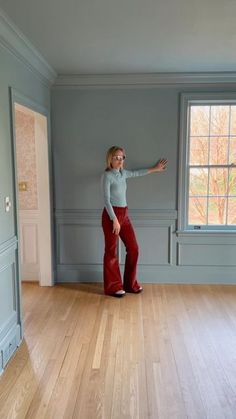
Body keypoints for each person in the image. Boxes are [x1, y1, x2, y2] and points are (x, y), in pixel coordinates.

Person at [101, 146, 167, 298]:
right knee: (111, 252)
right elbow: (106, 200)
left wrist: (155, 169)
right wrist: (114, 220)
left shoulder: (123, 174)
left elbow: (138, 172)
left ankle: (130, 284)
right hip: (112, 216)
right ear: (110, 159)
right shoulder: (107, 176)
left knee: (134, 249)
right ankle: (113, 287)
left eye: (122, 157)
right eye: (116, 157)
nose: (119, 160)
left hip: (125, 214)